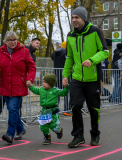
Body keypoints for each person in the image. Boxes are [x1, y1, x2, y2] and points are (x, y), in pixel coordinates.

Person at [62, 6, 109, 148]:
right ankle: (78, 136)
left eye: (77, 17)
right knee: (75, 106)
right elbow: (69, 57)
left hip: (92, 78)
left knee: (94, 109)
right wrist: (65, 75)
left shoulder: (95, 31)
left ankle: (95, 134)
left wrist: (92, 60)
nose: (74, 20)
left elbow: (104, 51)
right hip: (76, 78)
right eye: (73, 18)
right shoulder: (70, 35)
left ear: (83, 18)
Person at [0, 31, 36, 143]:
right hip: (5, 85)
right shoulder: (0, 51)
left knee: (12, 108)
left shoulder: (24, 51)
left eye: (14, 39)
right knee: (13, 110)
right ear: (5, 41)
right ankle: (20, 129)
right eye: (10, 40)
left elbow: (31, 66)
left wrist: (29, 79)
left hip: (19, 86)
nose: (13, 42)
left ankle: (10, 134)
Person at [0, 38, 41, 121]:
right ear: (32, 42)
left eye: (39, 43)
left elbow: (31, 67)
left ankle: (19, 117)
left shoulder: (33, 55)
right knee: (3, 98)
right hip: (9, 79)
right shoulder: (24, 49)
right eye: (37, 43)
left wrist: (29, 78)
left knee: (18, 100)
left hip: (19, 81)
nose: (38, 45)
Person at [27, 74, 69, 144]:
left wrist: (66, 87)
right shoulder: (41, 89)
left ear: (51, 83)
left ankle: (59, 130)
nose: (43, 83)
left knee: (53, 126)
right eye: (43, 81)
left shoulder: (55, 90)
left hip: (53, 111)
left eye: (45, 82)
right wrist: (30, 86)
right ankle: (47, 137)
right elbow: (35, 90)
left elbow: (64, 93)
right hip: (44, 111)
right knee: (43, 126)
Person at [51, 41, 71, 116]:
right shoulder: (65, 53)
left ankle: (56, 109)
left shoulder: (54, 53)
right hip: (64, 76)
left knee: (56, 93)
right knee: (67, 92)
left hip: (56, 75)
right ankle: (67, 109)